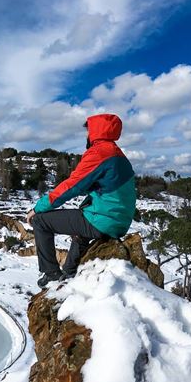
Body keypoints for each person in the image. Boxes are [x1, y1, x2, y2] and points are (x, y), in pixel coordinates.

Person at [26, 113, 136, 288]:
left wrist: (38, 208)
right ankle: (69, 273)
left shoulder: (99, 153)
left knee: (40, 222)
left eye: (88, 131)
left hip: (103, 220)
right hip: (118, 222)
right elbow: (95, 186)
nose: (87, 135)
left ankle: (51, 273)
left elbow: (71, 186)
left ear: (96, 131)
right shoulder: (119, 156)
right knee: (81, 230)